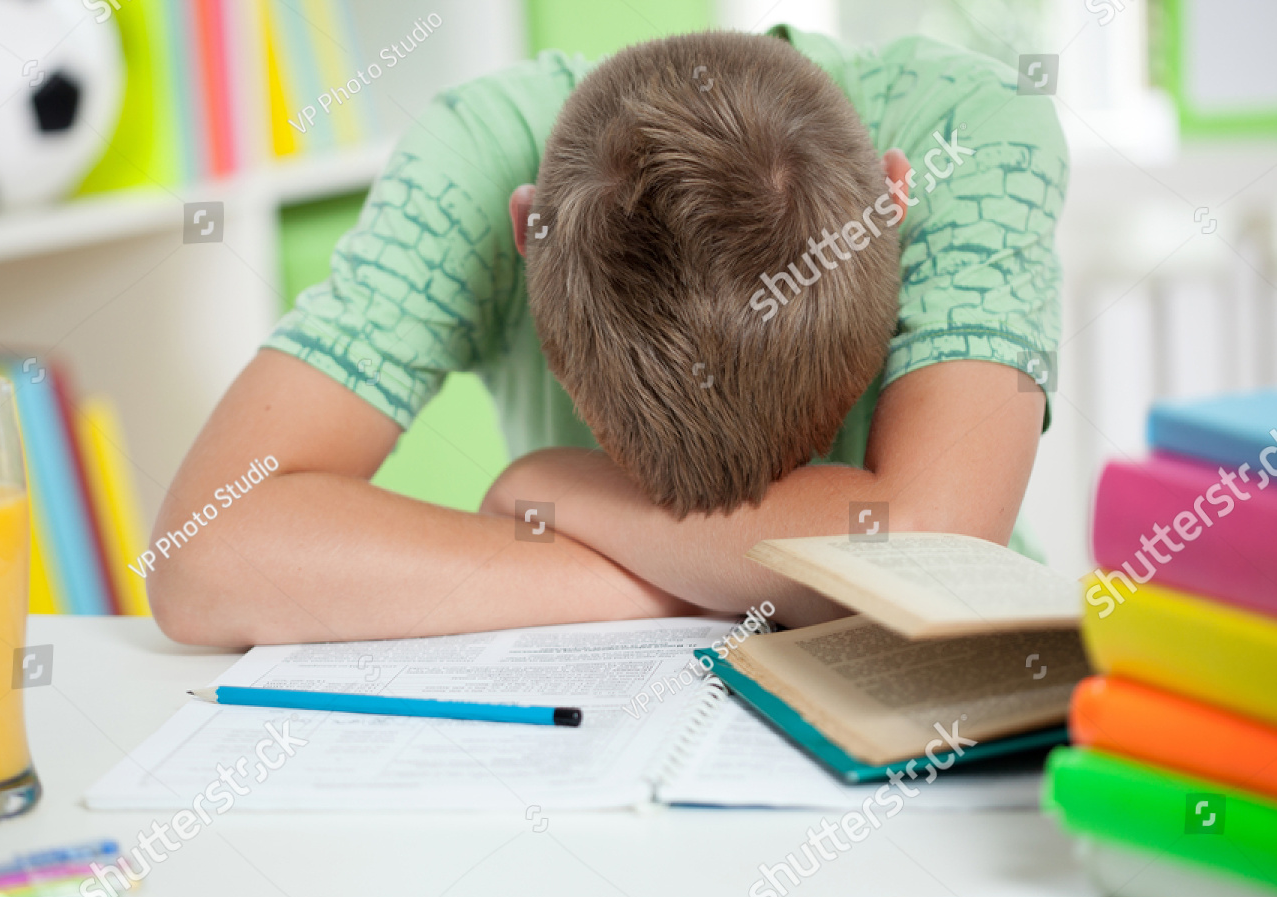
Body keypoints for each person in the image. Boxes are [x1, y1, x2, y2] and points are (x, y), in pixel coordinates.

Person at [148, 26, 1066, 646]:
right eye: (638, 472)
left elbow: (931, 550)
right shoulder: (476, 153)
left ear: (893, 208)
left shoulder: (974, 133)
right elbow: (202, 549)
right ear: (525, 235)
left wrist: (555, 492)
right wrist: (697, 582)